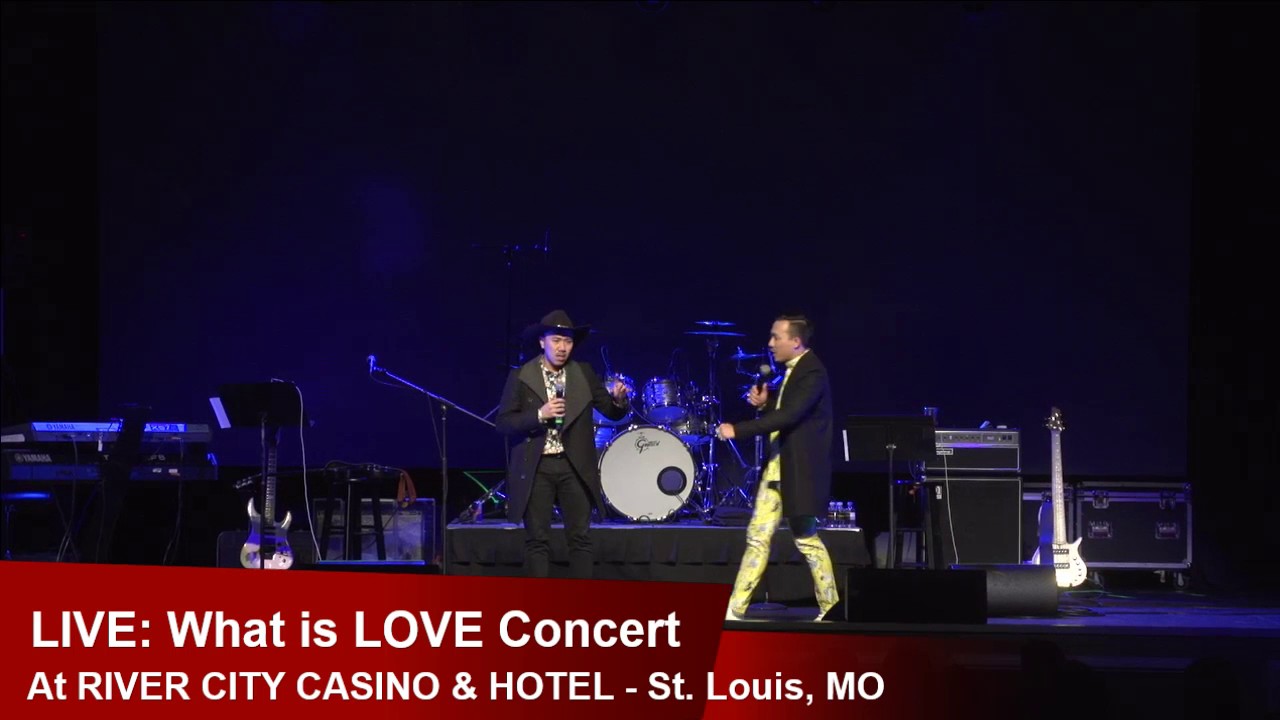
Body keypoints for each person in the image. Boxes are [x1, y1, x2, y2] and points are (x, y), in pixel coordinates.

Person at [714, 314, 838, 620]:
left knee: (806, 540)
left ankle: (830, 606)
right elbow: (782, 411)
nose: (770, 343)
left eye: (776, 337)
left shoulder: (812, 372)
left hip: (798, 472)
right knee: (757, 537)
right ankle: (735, 609)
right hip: (776, 469)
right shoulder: (790, 373)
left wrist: (737, 429)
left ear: (795, 341)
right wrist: (765, 404)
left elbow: (790, 416)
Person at [496, 309, 632, 578]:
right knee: (537, 540)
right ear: (542, 342)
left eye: (568, 341)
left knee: (580, 538)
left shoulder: (583, 373)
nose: (562, 348)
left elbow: (611, 412)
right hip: (537, 466)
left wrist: (619, 400)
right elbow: (504, 423)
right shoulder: (521, 376)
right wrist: (539, 415)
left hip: (574, 465)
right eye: (556, 340)